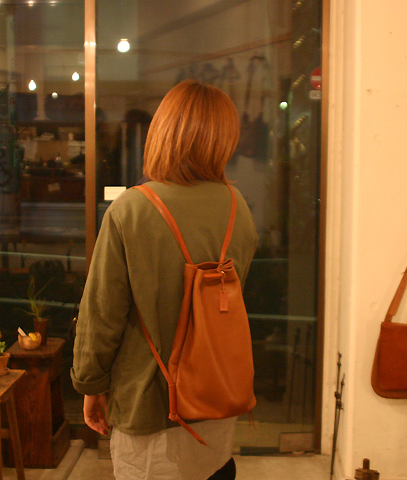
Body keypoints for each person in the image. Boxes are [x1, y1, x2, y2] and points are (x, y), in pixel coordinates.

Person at [71, 80, 258, 480]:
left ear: (163, 133)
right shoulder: (236, 206)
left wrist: (91, 383)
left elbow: (102, 314)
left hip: (148, 407)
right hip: (216, 399)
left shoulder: (131, 209)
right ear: (223, 140)